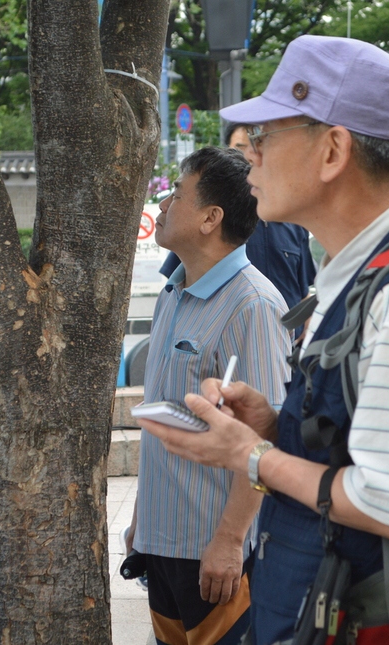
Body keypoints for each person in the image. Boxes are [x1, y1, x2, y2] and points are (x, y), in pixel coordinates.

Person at [141, 35, 389, 644]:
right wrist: (278, 425)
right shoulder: (360, 272)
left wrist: (249, 455)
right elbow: (363, 443)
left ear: (333, 149)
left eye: (266, 137)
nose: (250, 156)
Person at [128, 146, 291, 645]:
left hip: (213, 554)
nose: (162, 206)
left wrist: (228, 539)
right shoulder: (173, 292)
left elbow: (267, 438)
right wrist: (141, 520)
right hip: (162, 545)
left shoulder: (254, 305)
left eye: (175, 195)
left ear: (210, 218)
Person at [159, 123, 316, 311]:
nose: (251, 156)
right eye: (241, 148)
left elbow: (303, 290)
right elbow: (179, 283)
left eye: (259, 147)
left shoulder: (293, 222)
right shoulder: (210, 221)